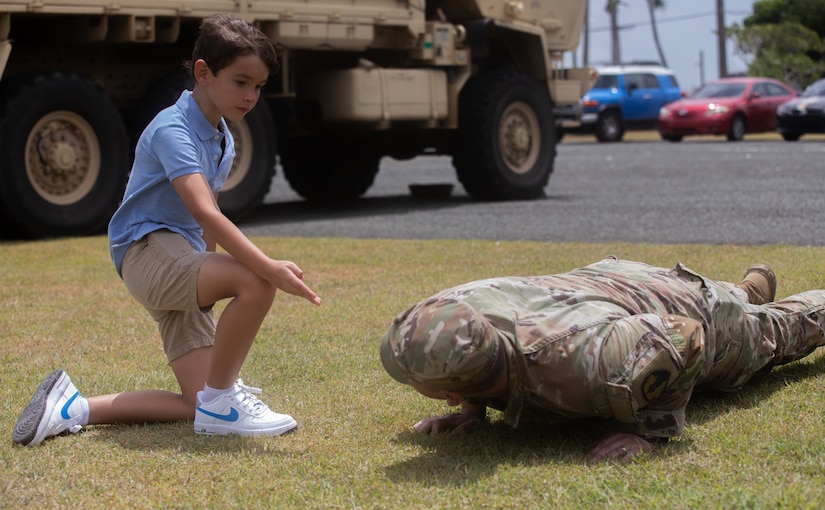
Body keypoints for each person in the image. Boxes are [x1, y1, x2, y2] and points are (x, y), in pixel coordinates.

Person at [13, 14, 321, 447]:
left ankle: (71, 408)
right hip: (145, 254)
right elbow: (206, 211)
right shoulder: (171, 129)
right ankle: (223, 401)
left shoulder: (223, 139)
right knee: (255, 280)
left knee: (195, 402)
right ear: (203, 73)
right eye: (241, 82)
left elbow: (202, 222)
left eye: (259, 86)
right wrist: (267, 266)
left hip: (179, 258)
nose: (251, 96)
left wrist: (206, 294)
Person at [380, 256, 825, 461]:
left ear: (449, 388)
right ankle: (747, 288)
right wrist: (473, 409)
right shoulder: (455, 308)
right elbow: (478, 345)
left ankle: (747, 302)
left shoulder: (574, 361)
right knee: (738, 302)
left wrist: (650, 433)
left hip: (682, 308)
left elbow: (684, 336)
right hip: (606, 286)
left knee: (778, 332)